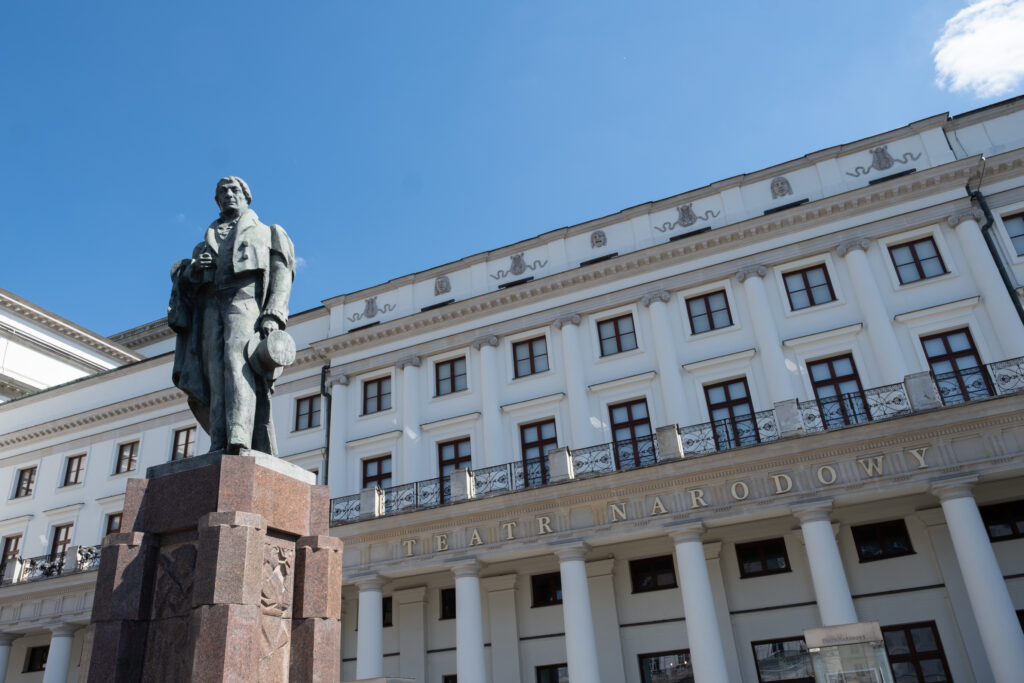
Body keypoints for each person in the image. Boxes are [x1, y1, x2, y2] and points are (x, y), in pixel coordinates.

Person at [169, 177, 295, 455]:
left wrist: (273, 314)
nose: (228, 194)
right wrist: (193, 270)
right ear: (217, 201)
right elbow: (186, 282)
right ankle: (218, 438)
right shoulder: (204, 244)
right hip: (210, 305)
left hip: (245, 299)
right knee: (213, 371)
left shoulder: (268, 232)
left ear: (247, 197)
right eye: (222, 192)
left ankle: (239, 432)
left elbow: (283, 274)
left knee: (237, 361)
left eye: (234, 189)